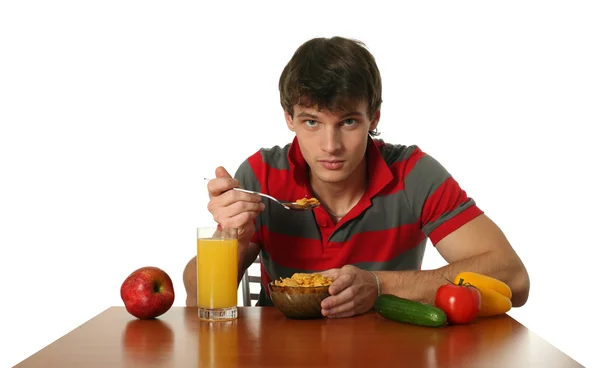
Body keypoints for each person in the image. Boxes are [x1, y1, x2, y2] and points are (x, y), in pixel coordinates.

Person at [183, 36, 530, 318]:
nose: (330, 146)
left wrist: (379, 286)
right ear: (289, 118)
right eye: (312, 122)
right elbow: (199, 300)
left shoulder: (413, 174)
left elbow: (513, 278)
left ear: (373, 118)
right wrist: (231, 237)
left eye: (348, 122)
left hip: (388, 350)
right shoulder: (261, 175)